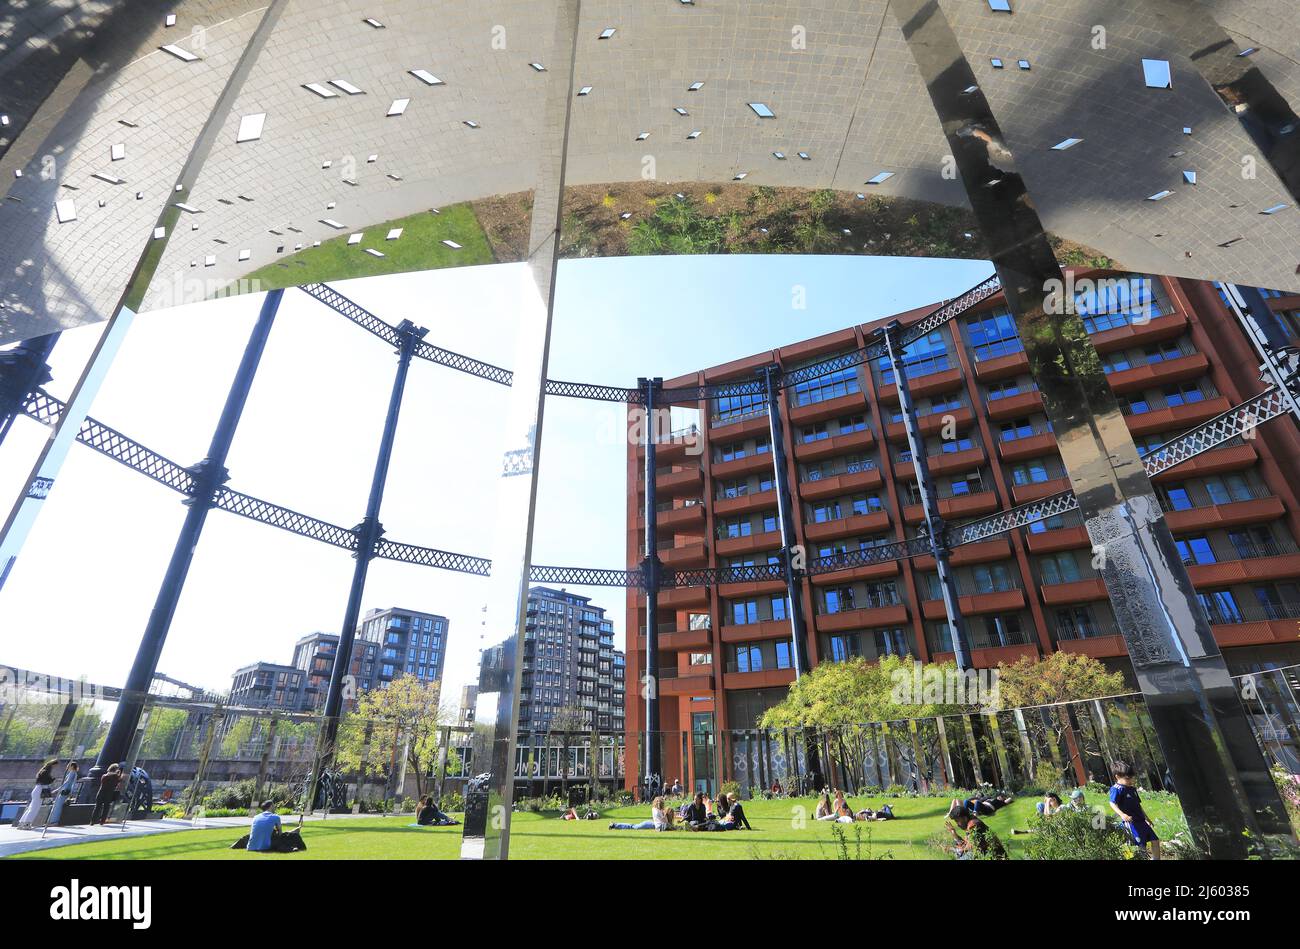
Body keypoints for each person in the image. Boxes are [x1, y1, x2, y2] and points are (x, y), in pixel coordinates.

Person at [1109, 761, 1159, 860]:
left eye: (1131, 777)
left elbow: (1138, 805)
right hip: (1131, 823)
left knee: (1155, 840)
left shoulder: (1132, 789)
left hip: (1141, 821)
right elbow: (1112, 803)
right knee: (1141, 846)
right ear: (1117, 776)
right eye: (1128, 778)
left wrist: (1147, 818)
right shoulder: (1116, 789)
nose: (1131, 780)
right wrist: (1122, 814)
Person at [16, 759, 57, 829]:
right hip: (40, 790)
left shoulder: (42, 771)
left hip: (36, 789)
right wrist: (52, 779)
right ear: (53, 765)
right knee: (35, 809)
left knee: (31, 808)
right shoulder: (46, 772)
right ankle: (27, 824)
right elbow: (46, 781)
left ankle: (21, 823)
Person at [49, 761, 79, 826]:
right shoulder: (75, 773)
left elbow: (66, 782)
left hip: (64, 791)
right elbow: (73, 784)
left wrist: (57, 790)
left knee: (57, 806)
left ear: (72, 766)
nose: (67, 767)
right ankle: (55, 821)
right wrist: (71, 792)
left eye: (69, 765)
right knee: (59, 806)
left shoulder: (72, 773)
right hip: (67, 791)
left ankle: (53, 821)